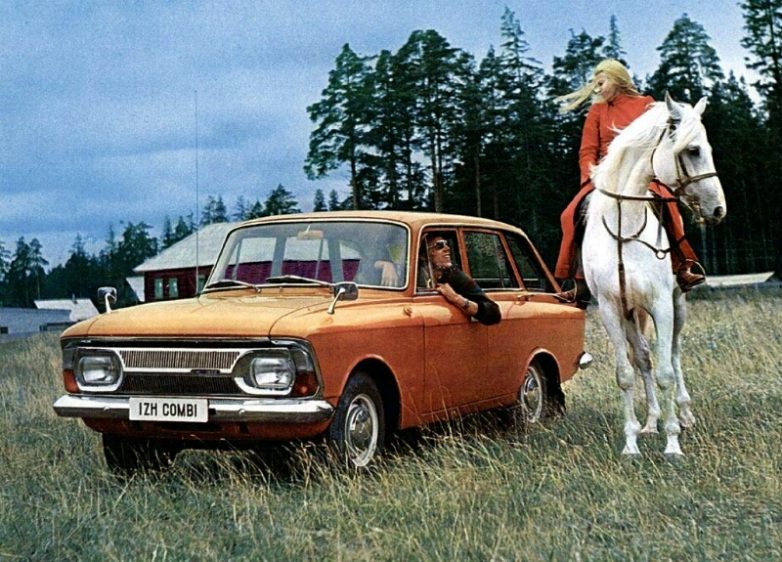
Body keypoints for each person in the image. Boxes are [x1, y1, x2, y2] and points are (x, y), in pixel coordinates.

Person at [554, 59, 705, 304]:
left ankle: (682, 267)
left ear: (617, 79)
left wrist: (652, 170)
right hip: (605, 178)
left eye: (601, 83)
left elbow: (658, 142)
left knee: (669, 206)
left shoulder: (646, 104)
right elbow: (587, 150)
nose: (597, 89)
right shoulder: (597, 111)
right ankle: (579, 280)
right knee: (570, 214)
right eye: (595, 84)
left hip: (643, 175)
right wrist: (591, 176)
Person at [419, 235, 501, 325]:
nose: (447, 248)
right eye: (439, 245)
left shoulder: (454, 275)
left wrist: (457, 299)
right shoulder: (416, 274)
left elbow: (494, 314)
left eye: (446, 243)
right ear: (423, 255)